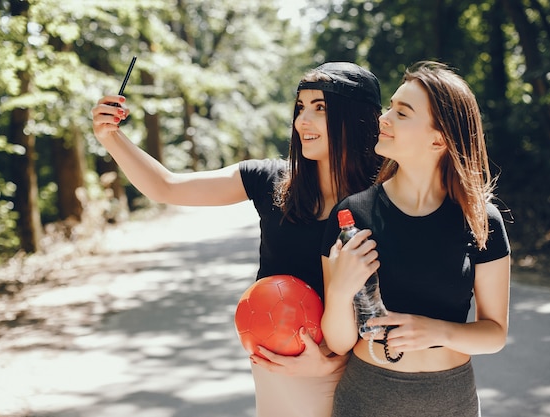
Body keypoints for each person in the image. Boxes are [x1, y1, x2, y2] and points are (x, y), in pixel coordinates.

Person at [91, 62, 384, 417]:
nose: (302, 121)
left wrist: (330, 362)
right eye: (301, 107)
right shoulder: (269, 180)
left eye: (320, 108)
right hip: (281, 366)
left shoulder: (385, 199)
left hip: (366, 371)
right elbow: (165, 186)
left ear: (356, 119)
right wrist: (111, 137)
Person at [320, 61, 511, 417]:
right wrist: (340, 291)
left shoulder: (482, 220)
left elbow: (495, 333)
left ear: (438, 138)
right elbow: (339, 341)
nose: (384, 118)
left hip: (451, 400)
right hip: (366, 398)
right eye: (390, 106)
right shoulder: (351, 216)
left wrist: (435, 330)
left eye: (402, 112)